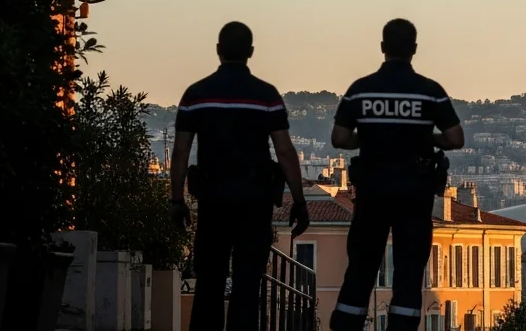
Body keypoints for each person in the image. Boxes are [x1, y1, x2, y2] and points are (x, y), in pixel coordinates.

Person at [170, 21, 309, 331]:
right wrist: (299, 201)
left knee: (209, 281)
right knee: (248, 283)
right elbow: (285, 152)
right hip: (254, 201)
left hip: (213, 199)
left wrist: (176, 199)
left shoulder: (196, 95)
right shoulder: (267, 96)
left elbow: (180, 153)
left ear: (219, 51)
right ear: (251, 52)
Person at [329, 19, 465, 331]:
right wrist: (425, 137)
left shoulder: (361, 90)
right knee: (408, 272)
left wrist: (368, 136)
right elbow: (455, 138)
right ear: (414, 49)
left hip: (372, 192)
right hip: (415, 195)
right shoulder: (429, 92)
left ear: (382, 47)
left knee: (361, 268)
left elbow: (339, 137)